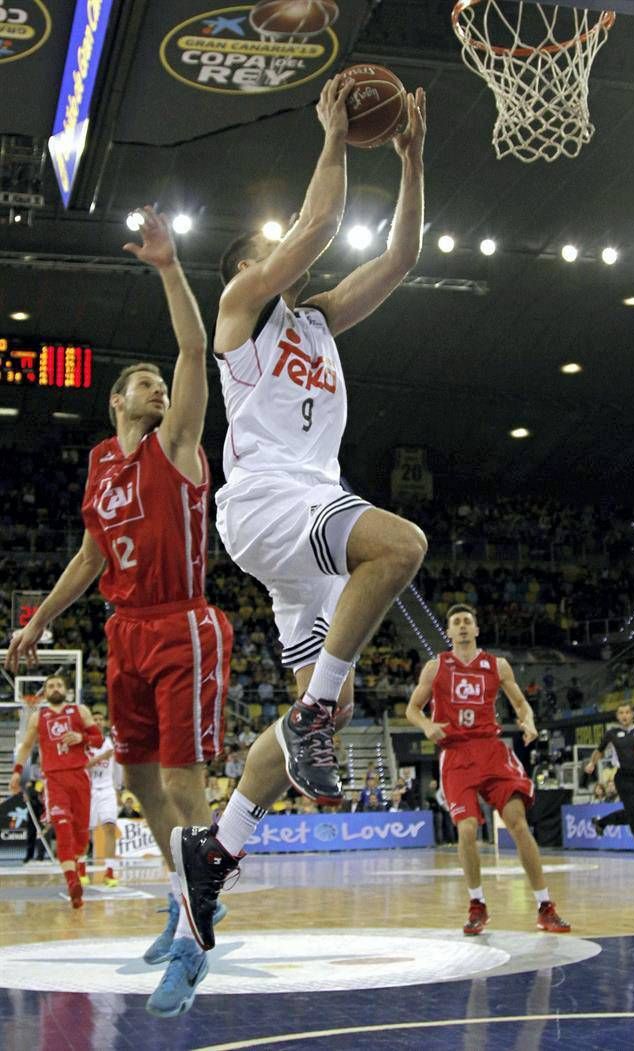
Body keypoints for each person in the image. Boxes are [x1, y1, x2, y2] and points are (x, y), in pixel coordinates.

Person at [171, 75, 427, 953]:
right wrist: (330, 133)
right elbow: (314, 226)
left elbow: (399, 262)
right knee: (400, 545)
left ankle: (217, 846)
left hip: (304, 521)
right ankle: (316, 715)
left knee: (331, 699)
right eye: (268, 250)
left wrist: (411, 160)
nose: (288, 254)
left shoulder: (316, 320)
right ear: (246, 268)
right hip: (272, 500)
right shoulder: (239, 310)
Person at [4, 207, 234, 1017]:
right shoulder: (103, 465)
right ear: (115, 402)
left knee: (182, 777)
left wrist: (170, 267)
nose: (158, 387)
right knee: (138, 778)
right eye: (143, 382)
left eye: (159, 383)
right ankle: (185, 893)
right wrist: (37, 623)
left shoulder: (177, 443)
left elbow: (194, 348)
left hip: (183, 622)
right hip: (123, 630)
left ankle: (198, 937)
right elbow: (92, 557)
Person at [405, 604, 570, 935]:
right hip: (456, 754)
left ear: (477, 629)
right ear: (449, 632)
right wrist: (426, 725)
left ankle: (545, 907)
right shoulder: (436, 667)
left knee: (518, 825)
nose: (463, 626)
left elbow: (520, 703)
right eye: (456, 622)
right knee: (466, 830)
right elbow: (412, 708)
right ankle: (477, 904)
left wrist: (529, 720)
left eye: (468, 621)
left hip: (491, 750)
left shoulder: (498, 665)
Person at [9, 675, 102, 909]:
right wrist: (17, 771)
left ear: (67, 690)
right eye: (50, 686)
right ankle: (73, 884)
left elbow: (99, 740)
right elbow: (26, 747)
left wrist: (82, 737)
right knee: (62, 826)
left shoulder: (80, 711)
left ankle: (75, 865)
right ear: (45, 692)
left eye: (59, 684)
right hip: (54, 779)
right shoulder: (37, 716)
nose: (55, 688)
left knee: (81, 839)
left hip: (80, 776)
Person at [584, 702, 634, 868]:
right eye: (621, 713)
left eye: (627, 712)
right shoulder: (612, 733)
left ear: (633, 714)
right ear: (617, 716)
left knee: (632, 814)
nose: (624, 716)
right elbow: (599, 750)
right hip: (623, 778)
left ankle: (601, 823)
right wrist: (592, 763)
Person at [86, 711, 120, 885]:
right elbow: (83, 765)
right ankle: (81, 870)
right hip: (88, 790)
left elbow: (117, 767)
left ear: (105, 722)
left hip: (107, 789)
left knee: (109, 828)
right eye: (95, 719)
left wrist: (119, 789)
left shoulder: (110, 743)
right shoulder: (85, 743)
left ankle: (110, 872)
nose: (98, 722)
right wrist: (101, 757)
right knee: (85, 832)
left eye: (100, 719)